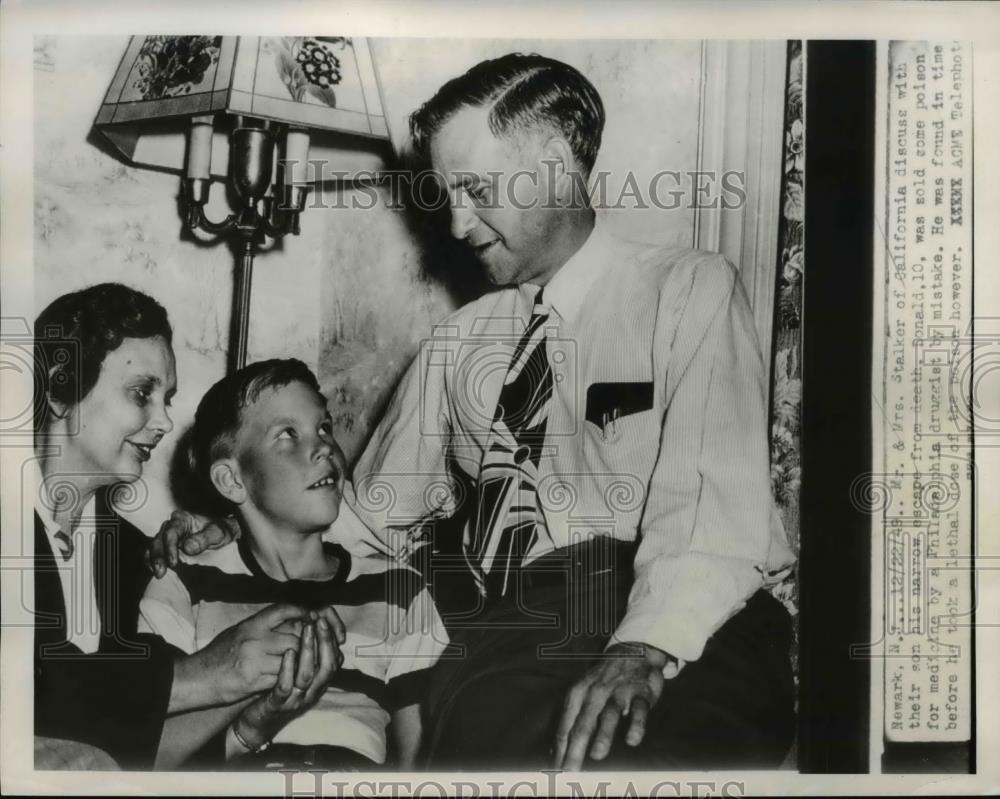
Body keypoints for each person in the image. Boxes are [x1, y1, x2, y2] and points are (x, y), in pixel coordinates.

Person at [150, 52, 797, 770]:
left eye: (475, 188)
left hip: (685, 619)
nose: (456, 223)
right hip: (516, 633)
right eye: (444, 194)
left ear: (554, 162)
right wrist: (228, 523)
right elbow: (366, 517)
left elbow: (711, 513)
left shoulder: (688, 293)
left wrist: (643, 645)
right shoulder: (461, 343)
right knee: (483, 728)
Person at [32, 283, 343, 769]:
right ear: (59, 386)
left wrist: (251, 718)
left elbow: (132, 753)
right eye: (142, 394)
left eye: (167, 398)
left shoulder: (141, 559)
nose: (162, 422)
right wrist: (202, 675)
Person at [139, 359, 447, 770]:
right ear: (232, 480)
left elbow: (420, 765)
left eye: (324, 427)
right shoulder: (183, 581)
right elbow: (149, 749)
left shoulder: (400, 589)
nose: (323, 446)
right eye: (287, 434)